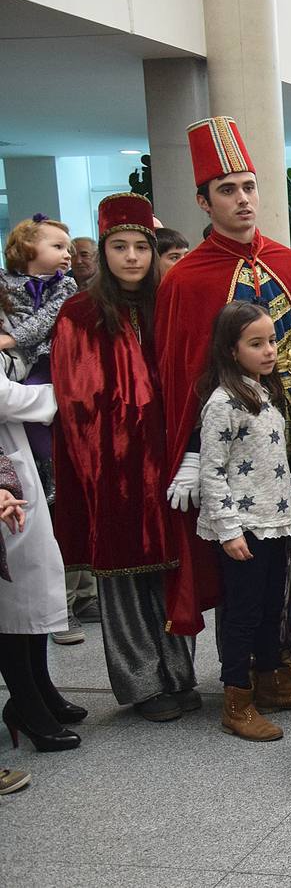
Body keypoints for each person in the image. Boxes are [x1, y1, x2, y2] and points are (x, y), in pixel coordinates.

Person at [158, 116, 291, 638]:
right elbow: (180, 374)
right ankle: (247, 670)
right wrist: (191, 450)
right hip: (230, 444)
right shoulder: (185, 280)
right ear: (203, 202)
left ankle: (281, 654)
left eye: (249, 187)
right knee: (246, 559)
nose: (242, 199)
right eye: (227, 189)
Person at [51, 192, 197, 723]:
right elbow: (75, 400)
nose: (133, 257)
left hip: (170, 460)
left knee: (170, 573)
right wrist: (103, 468)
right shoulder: (81, 312)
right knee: (125, 576)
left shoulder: (166, 302)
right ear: (105, 251)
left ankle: (178, 675)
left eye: (142, 246)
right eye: (120, 247)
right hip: (110, 467)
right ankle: (141, 684)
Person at [196, 302, 291, 741]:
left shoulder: (265, 393)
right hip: (244, 528)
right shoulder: (223, 402)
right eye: (257, 343)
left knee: (271, 607)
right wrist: (228, 530)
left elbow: (271, 465)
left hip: (275, 520)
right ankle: (237, 698)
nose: (270, 350)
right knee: (243, 614)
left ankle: (270, 680)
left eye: (271, 340)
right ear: (231, 350)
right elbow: (212, 472)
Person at [0, 307, 80, 752]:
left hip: (14, 460)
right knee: (12, 597)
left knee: (33, 584)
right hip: (4, 468)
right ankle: (27, 704)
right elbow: (5, 397)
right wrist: (65, 391)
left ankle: (40, 690)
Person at [1, 214, 79, 501]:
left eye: (68, 249)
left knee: (36, 407)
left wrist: (12, 339)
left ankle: (54, 475)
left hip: (47, 358)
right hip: (15, 362)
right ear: (26, 247)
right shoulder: (5, 281)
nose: (67, 255)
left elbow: (48, 318)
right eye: (58, 247)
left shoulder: (65, 286)